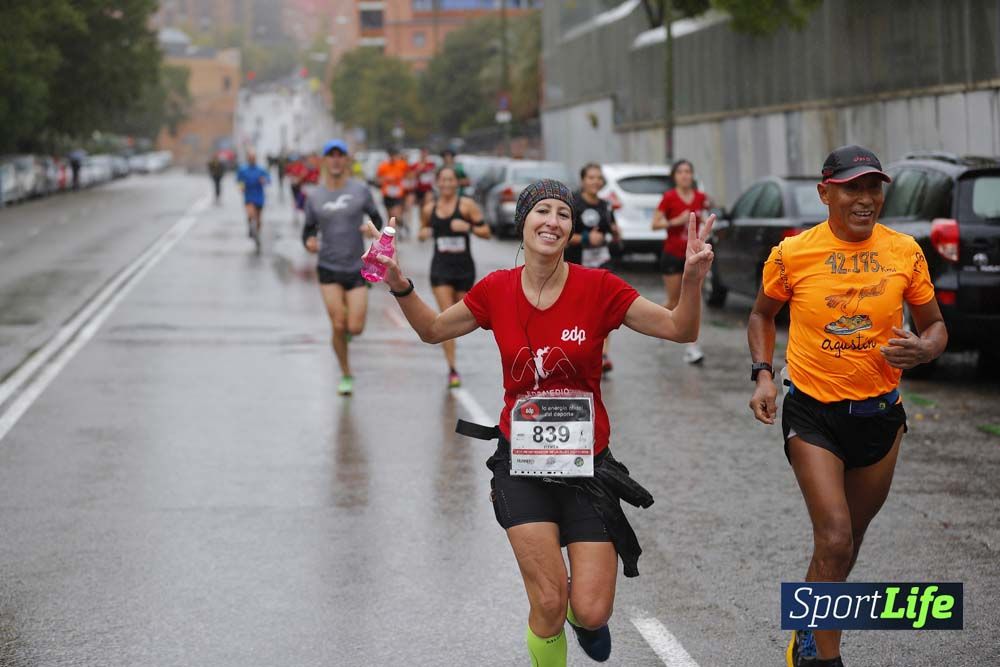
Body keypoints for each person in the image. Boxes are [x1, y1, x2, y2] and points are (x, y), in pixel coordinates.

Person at [372, 179, 716, 666]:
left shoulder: (600, 289)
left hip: (588, 467)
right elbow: (432, 330)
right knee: (550, 602)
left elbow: (681, 329)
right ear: (524, 221)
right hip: (521, 466)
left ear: (572, 229)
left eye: (563, 214)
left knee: (591, 611)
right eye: (542, 211)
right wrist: (400, 284)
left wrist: (693, 279)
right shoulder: (496, 290)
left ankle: (585, 621)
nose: (553, 221)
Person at [746, 146, 947, 667]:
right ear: (825, 192)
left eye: (874, 188)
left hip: (881, 416)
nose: (865, 199)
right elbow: (762, 316)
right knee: (833, 536)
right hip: (814, 414)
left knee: (846, 544)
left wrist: (925, 349)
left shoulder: (905, 251)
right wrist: (763, 375)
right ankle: (822, 658)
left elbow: (935, 326)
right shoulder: (793, 253)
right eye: (852, 188)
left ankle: (806, 628)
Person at [302, 140, 384, 396]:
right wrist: (309, 242)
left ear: (346, 160)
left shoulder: (360, 191)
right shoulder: (315, 196)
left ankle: (347, 330)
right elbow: (307, 230)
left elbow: (377, 219)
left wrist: (369, 228)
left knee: (355, 328)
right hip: (328, 267)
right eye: (331, 156)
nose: (336, 160)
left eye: (340, 156)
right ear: (325, 161)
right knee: (338, 324)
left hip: (356, 267)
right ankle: (346, 373)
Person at [418, 165, 490, 388]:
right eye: (444, 180)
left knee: (461, 316)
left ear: (457, 184)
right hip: (440, 269)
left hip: (464, 269)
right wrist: (424, 233)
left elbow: (486, 232)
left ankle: (452, 360)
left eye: (451, 180)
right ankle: (452, 368)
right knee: (446, 318)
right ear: (438, 183)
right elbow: (421, 231)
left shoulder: (467, 206)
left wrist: (468, 227)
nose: (447, 184)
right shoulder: (430, 209)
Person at [652, 159, 714, 364]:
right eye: (680, 172)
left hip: (695, 256)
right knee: (673, 301)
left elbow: (709, 217)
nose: (685, 175)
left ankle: (692, 346)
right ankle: (658, 326)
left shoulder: (701, 197)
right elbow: (655, 224)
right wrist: (675, 221)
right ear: (675, 176)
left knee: (693, 299)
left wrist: (708, 223)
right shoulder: (668, 198)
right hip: (672, 254)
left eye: (688, 171)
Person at [565, 163, 622, 374]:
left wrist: (615, 233)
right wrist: (588, 238)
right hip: (576, 264)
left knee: (604, 308)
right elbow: (564, 235)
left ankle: (603, 355)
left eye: (599, 178)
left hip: (602, 263)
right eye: (591, 177)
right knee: (579, 310)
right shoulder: (572, 203)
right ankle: (577, 351)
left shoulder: (606, 205)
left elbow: (612, 234)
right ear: (583, 180)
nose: (595, 182)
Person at [235, 150, 271, 251]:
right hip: (249, 195)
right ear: (248, 159)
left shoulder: (261, 169)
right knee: (251, 213)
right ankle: (250, 227)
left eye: (253, 158)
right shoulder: (243, 169)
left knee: (259, 218)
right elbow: (239, 180)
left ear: (255, 158)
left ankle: (257, 234)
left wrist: (264, 180)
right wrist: (241, 187)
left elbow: (268, 179)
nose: (252, 159)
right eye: (250, 158)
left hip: (259, 196)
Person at [377, 148, 410, 236]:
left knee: (395, 215)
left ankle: (403, 225)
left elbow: (409, 175)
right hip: (387, 194)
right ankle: (393, 238)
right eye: (390, 155)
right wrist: (385, 179)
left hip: (398, 194)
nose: (392, 157)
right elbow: (378, 179)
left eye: (394, 155)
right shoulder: (383, 166)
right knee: (390, 218)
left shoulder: (402, 165)